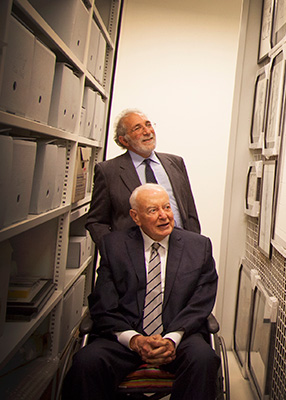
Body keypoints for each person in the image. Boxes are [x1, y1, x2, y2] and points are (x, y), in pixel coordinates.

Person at [63, 184, 219, 400]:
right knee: (86, 361)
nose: (164, 216)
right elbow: (103, 303)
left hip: (178, 336)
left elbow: (201, 302)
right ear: (135, 217)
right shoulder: (113, 245)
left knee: (204, 359)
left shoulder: (198, 246)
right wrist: (134, 340)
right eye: (153, 210)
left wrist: (172, 339)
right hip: (126, 337)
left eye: (166, 207)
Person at [86, 109, 201, 247]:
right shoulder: (108, 171)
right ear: (124, 140)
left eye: (148, 124)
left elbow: (190, 211)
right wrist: (113, 251)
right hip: (133, 255)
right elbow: (96, 221)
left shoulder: (175, 163)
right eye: (137, 128)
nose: (147, 132)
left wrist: (194, 246)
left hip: (178, 248)